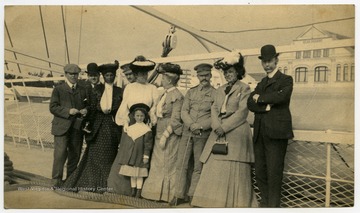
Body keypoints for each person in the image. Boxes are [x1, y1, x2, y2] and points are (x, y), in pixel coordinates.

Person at [191, 52, 258, 208]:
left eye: (231, 72)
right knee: (214, 165)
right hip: (218, 131)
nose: (228, 75)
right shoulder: (220, 89)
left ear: (238, 73)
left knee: (232, 167)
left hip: (236, 132)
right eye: (226, 72)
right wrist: (216, 126)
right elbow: (214, 108)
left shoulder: (245, 88)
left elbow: (242, 112)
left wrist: (225, 127)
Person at [61, 60, 122, 193]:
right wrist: (87, 120)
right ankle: (91, 183)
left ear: (114, 76)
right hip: (97, 126)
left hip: (112, 127)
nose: (109, 78)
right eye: (107, 75)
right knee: (93, 154)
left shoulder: (119, 91)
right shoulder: (96, 90)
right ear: (103, 76)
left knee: (109, 155)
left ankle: (106, 184)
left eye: (112, 75)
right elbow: (92, 107)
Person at [247, 44, 294, 207]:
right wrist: (266, 104)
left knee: (274, 174)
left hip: (276, 133)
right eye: (264, 61)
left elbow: (281, 97)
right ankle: (265, 205)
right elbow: (249, 103)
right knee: (260, 172)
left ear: (276, 60)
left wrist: (259, 99)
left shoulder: (286, 80)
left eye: (269, 61)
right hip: (260, 133)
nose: (267, 64)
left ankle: (272, 208)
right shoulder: (261, 83)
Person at [107, 56, 158, 195]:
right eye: (140, 74)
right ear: (135, 74)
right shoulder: (129, 87)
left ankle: (141, 190)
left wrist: (150, 121)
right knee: (126, 153)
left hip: (145, 124)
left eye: (145, 73)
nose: (143, 76)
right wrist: (125, 122)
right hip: (131, 123)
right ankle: (121, 188)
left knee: (142, 155)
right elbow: (125, 106)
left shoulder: (153, 88)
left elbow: (154, 107)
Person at [170, 63, 216, 206]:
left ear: (210, 76)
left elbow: (215, 115)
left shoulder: (216, 93)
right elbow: (184, 111)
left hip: (203, 134)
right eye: (201, 75)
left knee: (198, 166)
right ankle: (178, 194)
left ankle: (193, 195)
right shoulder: (191, 92)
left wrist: (200, 126)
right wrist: (191, 125)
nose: (204, 78)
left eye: (206, 75)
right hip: (187, 133)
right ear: (197, 76)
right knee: (181, 164)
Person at [141, 63, 184, 203]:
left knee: (168, 162)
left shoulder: (177, 96)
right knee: (158, 162)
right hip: (159, 128)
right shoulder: (163, 94)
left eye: (164, 78)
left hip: (170, 132)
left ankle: (167, 195)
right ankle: (154, 193)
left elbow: (176, 118)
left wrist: (166, 135)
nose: (162, 80)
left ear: (170, 79)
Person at [49, 64, 88, 187]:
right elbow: (53, 107)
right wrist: (68, 111)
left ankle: (70, 180)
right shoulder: (58, 89)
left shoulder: (83, 89)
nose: (74, 76)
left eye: (76, 74)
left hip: (76, 128)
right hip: (61, 128)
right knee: (60, 154)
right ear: (65, 74)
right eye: (71, 74)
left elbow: (88, 104)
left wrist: (86, 110)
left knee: (75, 154)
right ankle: (56, 180)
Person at [117, 103, 153, 198]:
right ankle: (133, 190)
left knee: (139, 174)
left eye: (142, 116)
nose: (139, 118)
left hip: (140, 155)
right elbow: (127, 143)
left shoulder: (146, 129)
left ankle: (138, 191)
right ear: (134, 116)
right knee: (132, 174)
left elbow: (147, 145)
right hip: (131, 155)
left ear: (145, 117)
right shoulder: (130, 128)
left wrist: (146, 156)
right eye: (137, 116)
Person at [82, 62, 101, 134]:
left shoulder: (104, 88)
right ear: (88, 76)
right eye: (91, 75)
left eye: (95, 75)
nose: (93, 77)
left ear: (99, 75)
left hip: (101, 122)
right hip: (88, 122)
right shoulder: (84, 88)